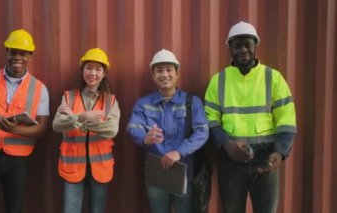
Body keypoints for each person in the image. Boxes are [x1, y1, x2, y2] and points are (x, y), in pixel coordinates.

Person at [204, 21, 297, 213]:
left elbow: (286, 118)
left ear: (256, 46)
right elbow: (210, 118)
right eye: (237, 45)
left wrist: (280, 151)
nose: (243, 50)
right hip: (231, 161)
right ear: (229, 47)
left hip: (266, 159)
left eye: (248, 44)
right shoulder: (218, 81)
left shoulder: (273, 78)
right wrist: (226, 143)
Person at [0, 29, 50, 213]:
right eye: (13, 51)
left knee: (14, 208)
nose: (17, 57)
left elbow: (43, 128)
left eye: (22, 53)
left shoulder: (39, 88)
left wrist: (15, 130)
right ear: (6, 52)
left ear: (30, 55)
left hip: (18, 160)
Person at [127, 49, 209, 213]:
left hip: (184, 171)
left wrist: (179, 152)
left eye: (169, 69)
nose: (164, 74)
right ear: (153, 76)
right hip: (157, 173)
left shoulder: (192, 102)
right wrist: (144, 138)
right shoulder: (143, 104)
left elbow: (202, 132)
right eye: (159, 70)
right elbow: (133, 127)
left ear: (177, 73)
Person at [52, 48, 120, 213]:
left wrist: (75, 118)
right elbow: (57, 125)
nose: (93, 73)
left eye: (98, 69)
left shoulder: (110, 101)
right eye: (89, 67)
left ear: (104, 73)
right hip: (73, 166)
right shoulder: (68, 97)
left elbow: (111, 130)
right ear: (82, 70)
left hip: (100, 167)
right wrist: (83, 116)